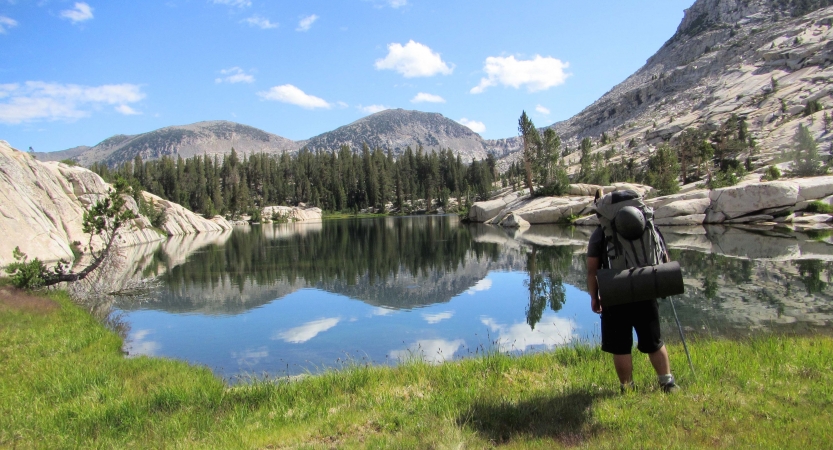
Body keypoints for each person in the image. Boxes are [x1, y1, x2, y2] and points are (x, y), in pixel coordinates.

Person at [586, 224, 679, 393]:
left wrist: (594, 296)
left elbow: (592, 269)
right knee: (654, 341)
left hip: (614, 291)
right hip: (645, 287)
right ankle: (667, 383)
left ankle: (627, 388)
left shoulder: (601, 231)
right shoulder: (647, 226)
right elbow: (663, 257)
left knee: (620, 346)